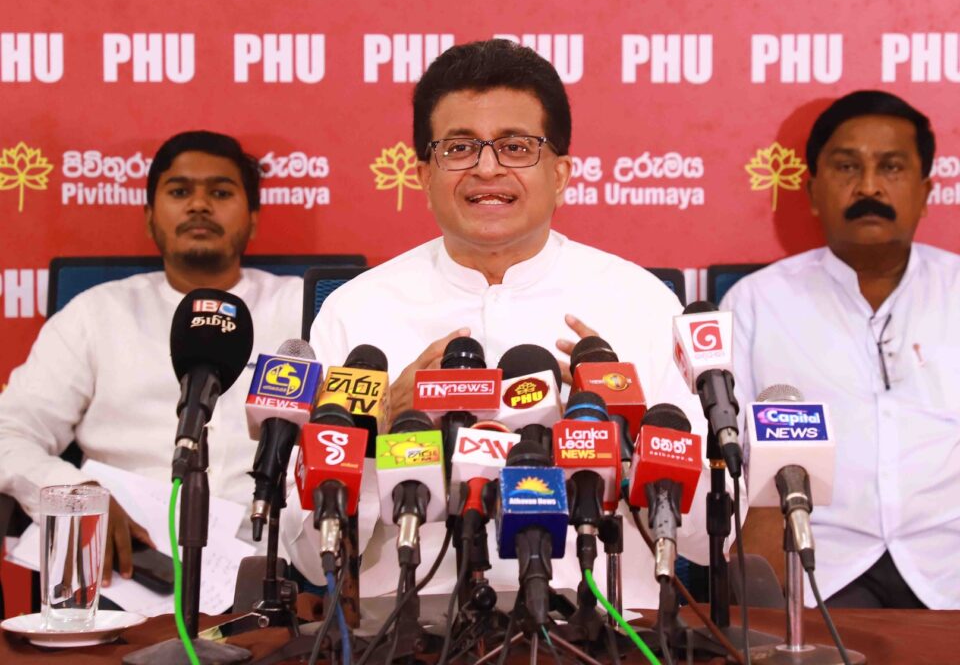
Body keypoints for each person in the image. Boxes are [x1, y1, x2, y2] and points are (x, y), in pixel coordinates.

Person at [283, 39, 717, 608]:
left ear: (560, 174)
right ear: (424, 174)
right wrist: (379, 427)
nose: (487, 168)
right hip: (406, 631)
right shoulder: (357, 311)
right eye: (459, 147)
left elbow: (711, 540)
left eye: (515, 146)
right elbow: (306, 553)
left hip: (606, 626)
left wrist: (624, 436)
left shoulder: (640, 303)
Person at [0, 131, 302, 586]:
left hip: (276, 568)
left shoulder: (303, 310)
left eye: (221, 193)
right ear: (149, 218)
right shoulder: (96, 313)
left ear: (253, 219)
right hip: (128, 570)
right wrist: (76, 495)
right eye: (179, 192)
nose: (199, 205)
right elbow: (9, 431)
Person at [723, 90, 960, 609]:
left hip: (950, 568)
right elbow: (724, 455)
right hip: (817, 570)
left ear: (925, 192)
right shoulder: (757, 303)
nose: (869, 186)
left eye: (891, 167)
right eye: (848, 166)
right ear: (812, 191)